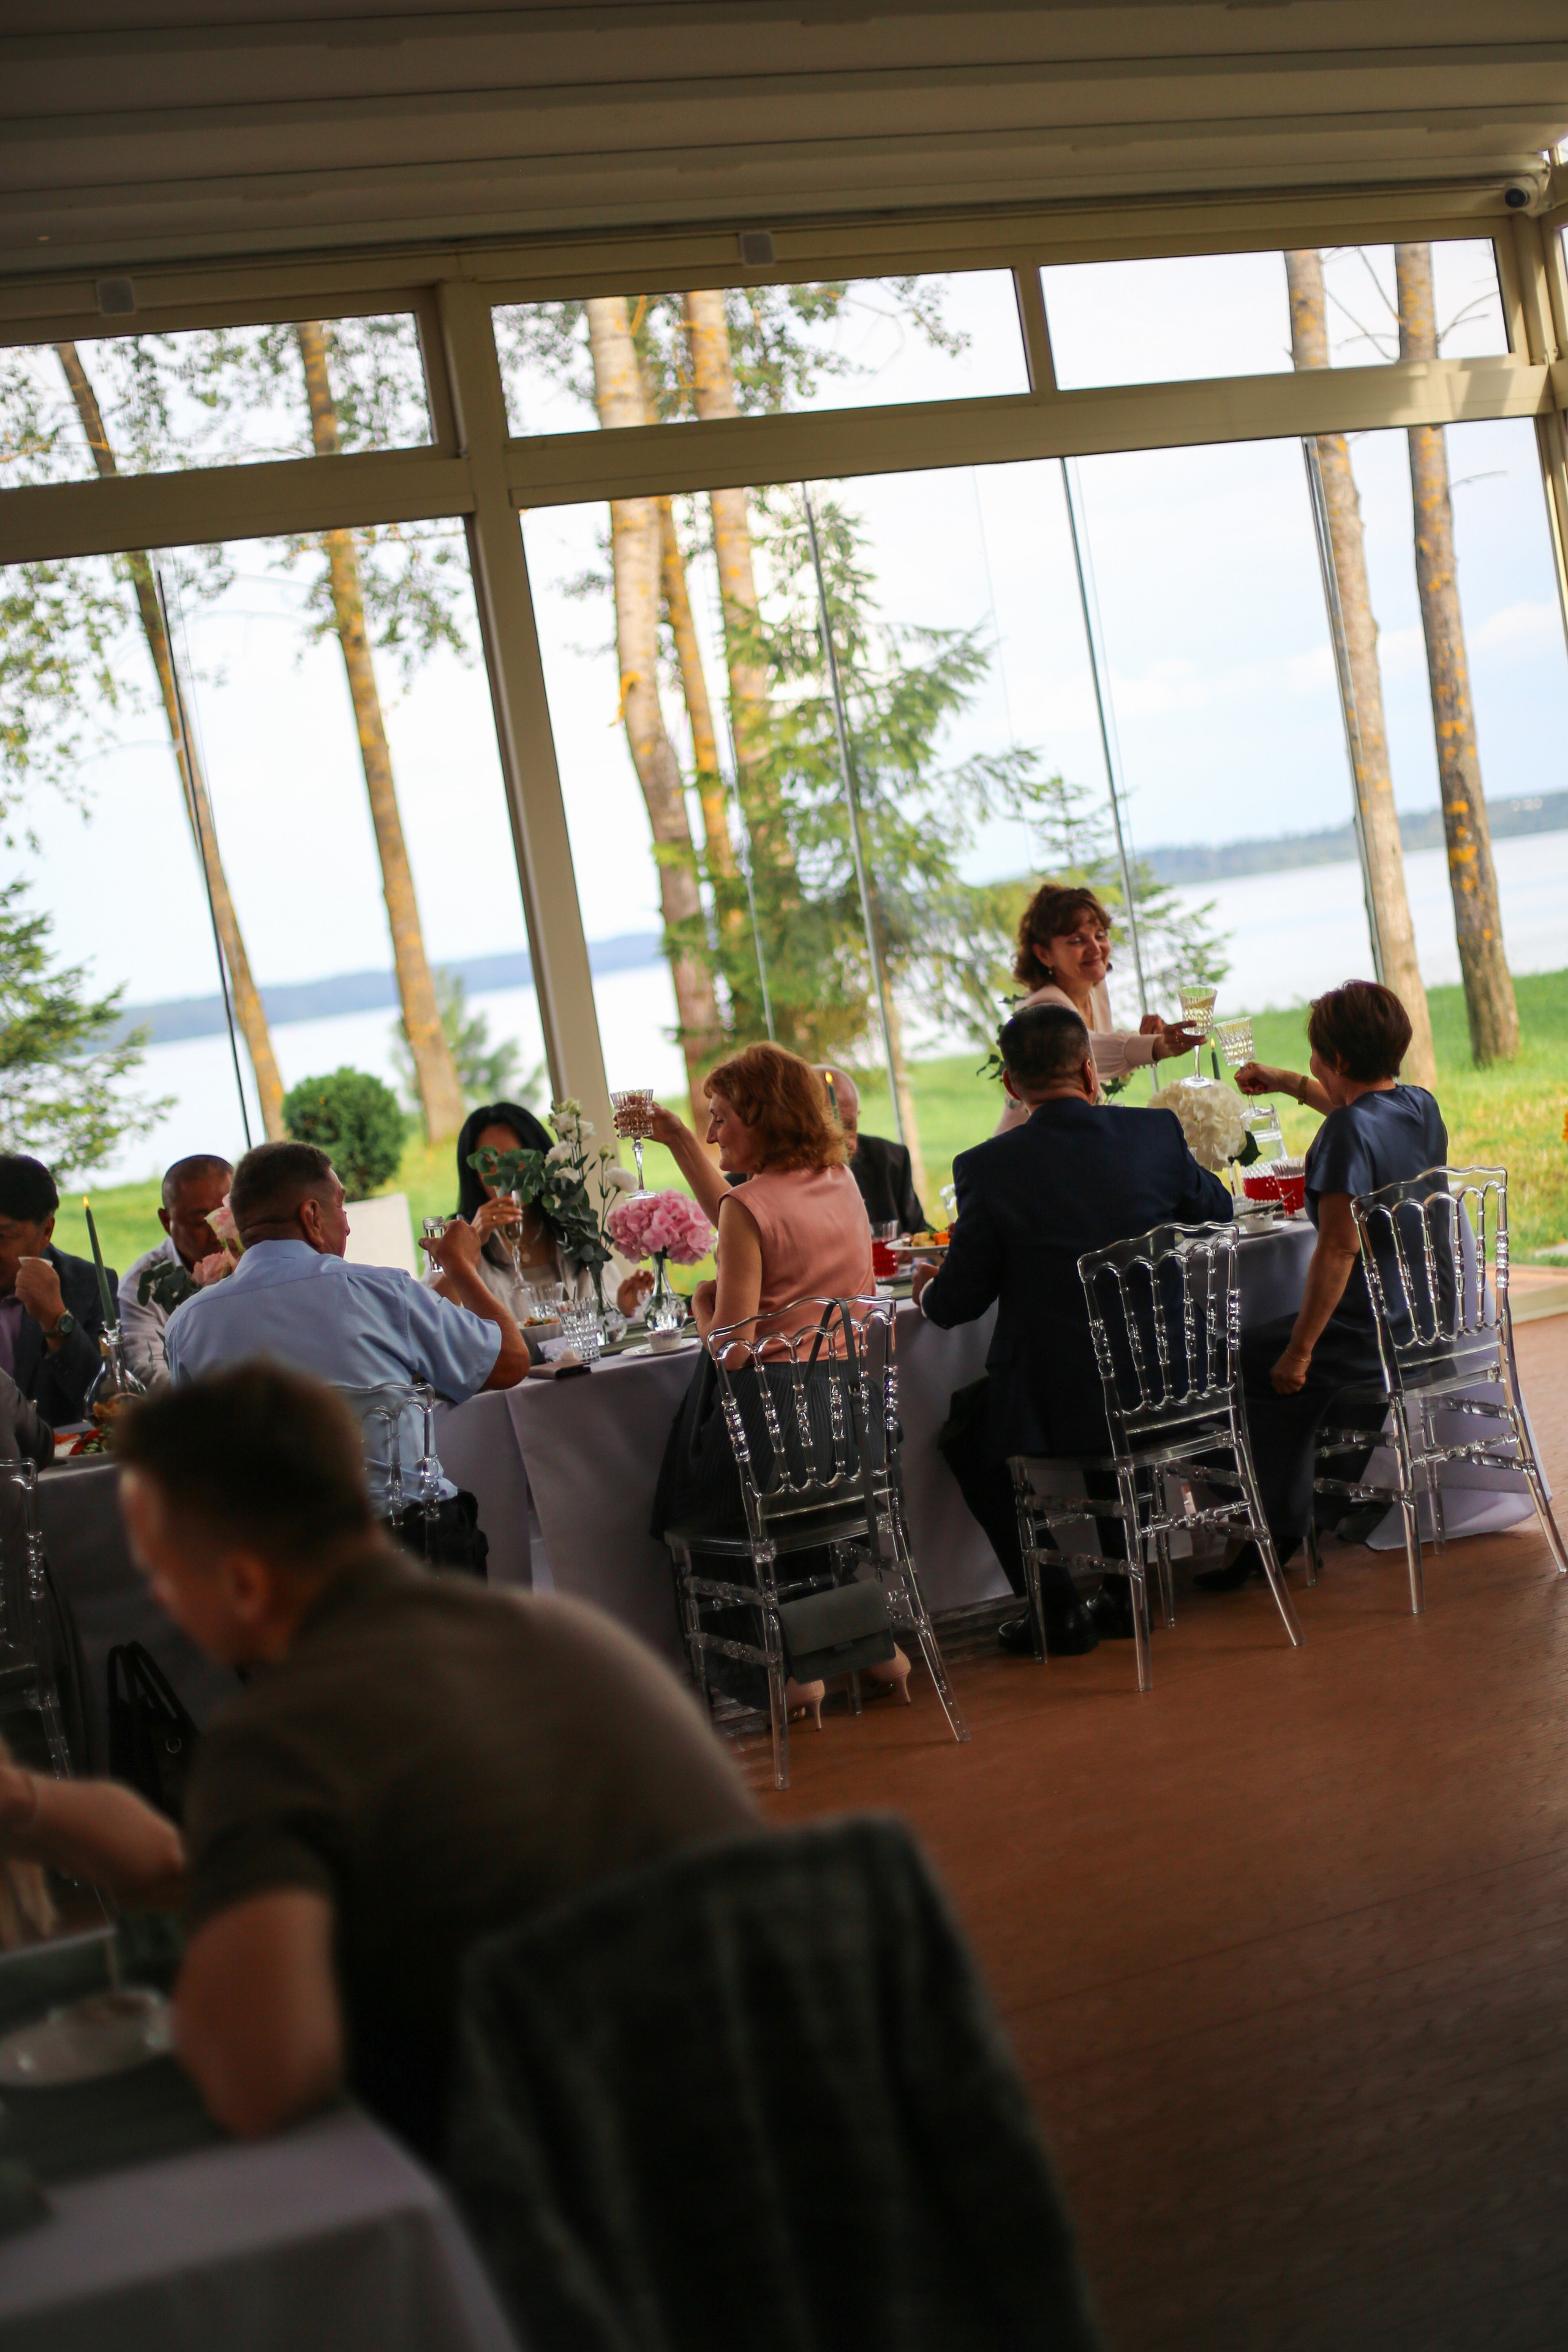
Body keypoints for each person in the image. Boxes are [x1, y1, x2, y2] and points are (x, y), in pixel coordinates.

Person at [0, 1363, 755, 2158]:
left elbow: (261, 2081)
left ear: (246, 1584)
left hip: (570, 2187)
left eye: (162, 1574)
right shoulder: (578, 1639)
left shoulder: (276, 1740)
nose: (160, 1601)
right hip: (754, 2109)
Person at [914, 1003, 1232, 1656]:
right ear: (1090, 1071)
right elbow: (1216, 1212)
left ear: (1010, 1084)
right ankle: (1125, 1589)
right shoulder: (1153, 1136)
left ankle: (1054, 1605)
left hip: (1068, 1398)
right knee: (1106, 1383)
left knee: (970, 1437)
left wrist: (927, 1288)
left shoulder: (989, 1168)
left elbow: (957, 1305)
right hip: (1173, 1376)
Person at [650, 1044, 899, 1716]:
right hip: (849, 1433)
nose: (710, 1132)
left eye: (720, 1117)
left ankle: (783, 1678)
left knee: (684, 1509)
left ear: (760, 1115)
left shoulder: (750, 1209)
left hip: (775, 1435)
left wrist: (704, 1308)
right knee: (812, 1526)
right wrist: (676, 1141)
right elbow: (745, 1210)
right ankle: (873, 1650)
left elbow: (732, 1354)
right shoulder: (840, 1179)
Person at [165, 1140, 530, 1575]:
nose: (348, 1226)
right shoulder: (380, 1291)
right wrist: (461, 1266)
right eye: (341, 1207)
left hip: (280, 1568)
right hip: (410, 1549)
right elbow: (510, 1362)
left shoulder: (188, 1324)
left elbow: (196, 1466)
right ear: (311, 1216)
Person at [1201, 979, 1448, 1589]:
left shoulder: (1343, 1134)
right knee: (1269, 1358)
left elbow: (1338, 1247)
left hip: (1369, 1333)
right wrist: (1287, 1082)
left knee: (1229, 1363)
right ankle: (1306, 1503)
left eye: (1315, 1056)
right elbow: (1352, 1114)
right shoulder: (1418, 1106)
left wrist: (1301, 1350)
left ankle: (1275, 1522)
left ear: (1335, 1060)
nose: (1311, 1065)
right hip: (1424, 1321)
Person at [997, 882, 1201, 1128]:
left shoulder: (1095, 989)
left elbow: (1094, 1061)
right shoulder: (1043, 1005)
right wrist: (1155, 1046)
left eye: (1100, 935)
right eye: (1077, 941)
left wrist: (1145, 1041)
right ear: (1043, 954)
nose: (1095, 948)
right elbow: (1080, 1053)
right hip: (1029, 1149)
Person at [426, 1102, 587, 1333]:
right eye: (490, 1165)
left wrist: (624, 1304)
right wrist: (465, 1253)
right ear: (474, 1175)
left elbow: (603, 1309)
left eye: (515, 1160)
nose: (505, 1177)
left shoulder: (570, 1226)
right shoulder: (454, 1237)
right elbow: (427, 1320)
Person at [0, 1153, 114, 1427]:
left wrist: (56, 1321)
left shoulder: (87, 1286)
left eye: (1, 1236)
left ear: (46, 1231)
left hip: (57, 1465)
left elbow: (108, 1407)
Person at [119, 1154, 235, 1387]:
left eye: (226, 1215)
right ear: (166, 1221)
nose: (218, 1231)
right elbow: (148, 1371)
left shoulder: (258, 1258)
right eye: (202, 1221)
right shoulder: (142, 1285)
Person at [815, 1065, 926, 1233]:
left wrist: (911, 1247)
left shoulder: (889, 1160)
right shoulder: (786, 1186)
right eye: (833, 1132)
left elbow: (924, 1236)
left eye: (850, 1126)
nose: (849, 1143)